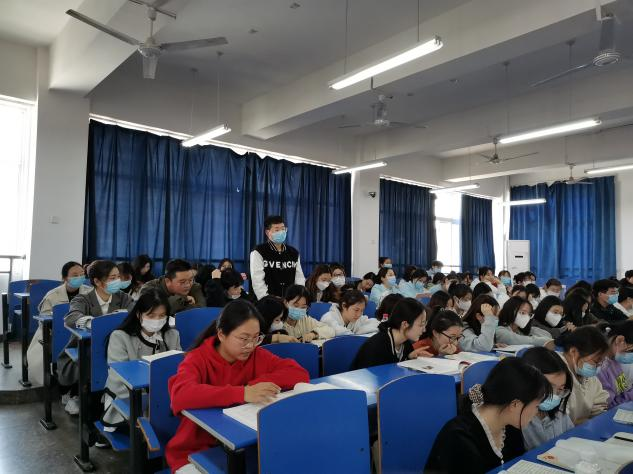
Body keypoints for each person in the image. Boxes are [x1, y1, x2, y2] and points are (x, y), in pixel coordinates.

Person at [165, 300, 309, 472]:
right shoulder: (198, 358)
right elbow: (181, 394)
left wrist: (254, 385)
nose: (250, 345)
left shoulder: (256, 355)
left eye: (256, 338)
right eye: (243, 338)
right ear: (221, 334)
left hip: (248, 447)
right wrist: (243, 393)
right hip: (196, 451)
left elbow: (299, 373)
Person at [426, 357, 550, 474]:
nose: (536, 412)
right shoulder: (459, 438)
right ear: (515, 404)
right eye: (536, 406)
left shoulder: (510, 425)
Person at [59, 260, 136, 416]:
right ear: (97, 281)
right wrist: (94, 323)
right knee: (95, 365)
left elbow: (136, 313)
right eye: (112, 278)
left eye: (118, 277)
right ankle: (84, 399)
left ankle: (118, 401)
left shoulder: (123, 297)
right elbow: (71, 318)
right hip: (88, 350)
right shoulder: (82, 299)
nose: (117, 281)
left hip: (116, 348)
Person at [102, 292, 181, 430]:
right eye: (151, 315)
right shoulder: (120, 337)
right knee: (152, 427)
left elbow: (179, 369)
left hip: (164, 398)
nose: (157, 320)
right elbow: (118, 379)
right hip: (128, 399)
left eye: (162, 316)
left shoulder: (172, 335)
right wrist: (149, 400)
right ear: (139, 315)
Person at [27, 261, 91, 386]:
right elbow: (43, 320)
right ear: (64, 278)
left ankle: (80, 382)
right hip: (55, 333)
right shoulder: (52, 295)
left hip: (82, 333)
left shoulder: (90, 292)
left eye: (82, 274)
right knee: (43, 356)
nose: (79, 277)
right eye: (75, 275)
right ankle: (55, 380)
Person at [352, 298, 433, 369]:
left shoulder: (406, 344)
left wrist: (409, 358)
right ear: (404, 324)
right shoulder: (377, 346)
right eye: (421, 325)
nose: (424, 330)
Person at [520, 347, 574, 450]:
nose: (555, 396)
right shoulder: (518, 418)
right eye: (549, 388)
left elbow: (571, 439)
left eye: (560, 389)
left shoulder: (559, 412)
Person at [557, 326, 609, 424]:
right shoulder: (555, 375)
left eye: (600, 363)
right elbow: (559, 422)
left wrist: (598, 417)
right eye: (595, 361)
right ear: (573, 351)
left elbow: (600, 403)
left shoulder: (587, 374)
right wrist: (584, 423)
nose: (598, 367)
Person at [249, 215, 305, 300]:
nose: (281, 232)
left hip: (289, 301)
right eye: (277, 230)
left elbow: (299, 278)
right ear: (267, 232)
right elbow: (257, 280)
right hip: (266, 301)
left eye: (283, 229)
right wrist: (267, 299)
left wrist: (298, 297)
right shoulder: (258, 252)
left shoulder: (294, 253)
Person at [140, 259, 205, 315]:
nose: (188, 285)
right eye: (182, 282)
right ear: (168, 281)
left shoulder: (194, 286)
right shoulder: (149, 288)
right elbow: (155, 312)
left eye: (191, 280)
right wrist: (184, 298)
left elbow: (201, 311)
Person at [597, 321, 633, 408]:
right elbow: (607, 404)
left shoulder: (615, 362)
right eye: (629, 351)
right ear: (619, 340)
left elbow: (622, 390)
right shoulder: (599, 368)